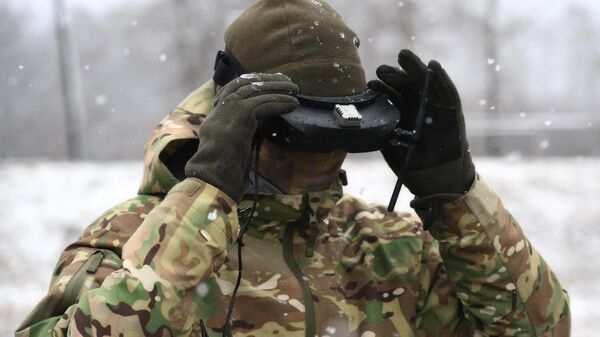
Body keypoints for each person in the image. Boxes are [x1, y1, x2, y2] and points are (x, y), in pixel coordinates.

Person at [17, 1, 570, 336]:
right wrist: (203, 201)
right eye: (299, 133)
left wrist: (456, 195)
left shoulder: (388, 246)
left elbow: (538, 329)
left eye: (339, 136)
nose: (321, 159)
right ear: (238, 117)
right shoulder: (130, 239)